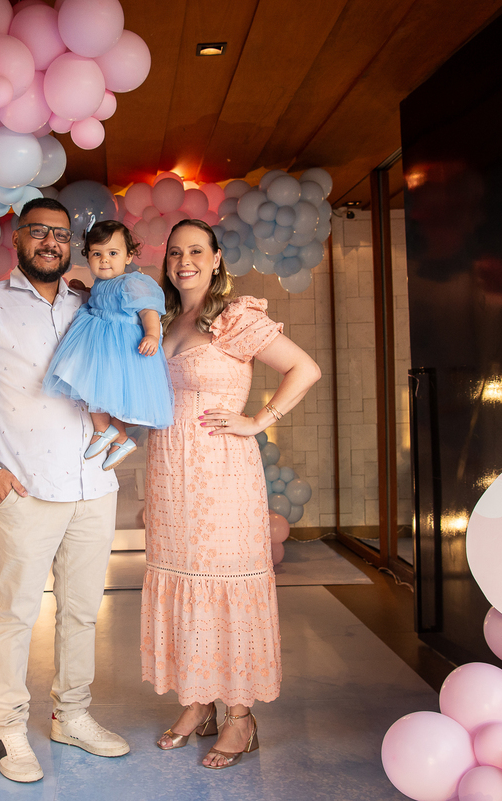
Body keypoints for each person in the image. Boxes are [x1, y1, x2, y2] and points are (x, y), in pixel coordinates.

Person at [0, 197, 129, 784]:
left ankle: (71, 716)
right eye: (39, 232)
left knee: (81, 611)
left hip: (94, 482)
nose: (51, 243)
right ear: (18, 239)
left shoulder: (88, 304)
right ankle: (7, 729)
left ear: (71, 245)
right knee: (17, 612)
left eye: (60, 235)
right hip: (25, 485)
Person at [141, 219, 321, 769]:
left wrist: (259, 420)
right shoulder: (161, 320)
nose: (184, 261)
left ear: (217, 258)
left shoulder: (232, 317)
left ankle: (240, 716)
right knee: (183, 578)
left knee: (222, 584)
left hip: (221, 476)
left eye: (196, 250)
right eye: (175, 252)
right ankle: (198, 704)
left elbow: (304, 368)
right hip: (169, 475)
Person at [42, 220, 173, 470]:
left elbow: (149, 310)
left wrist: (152, 335)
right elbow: (103, 300)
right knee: (97, 390)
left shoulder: (132, 282)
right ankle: (119, 437)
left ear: (128, 256)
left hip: (120, 348)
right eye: (96, 254)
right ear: (87, 257)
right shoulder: (102, 283)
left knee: (98, 389)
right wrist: (85, 291)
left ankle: (106, 430)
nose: (104, 260)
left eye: (113, 253)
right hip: (102, 343)